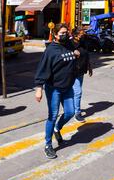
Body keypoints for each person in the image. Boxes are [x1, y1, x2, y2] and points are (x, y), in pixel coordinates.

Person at [34, 23, 80, 160]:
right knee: (52, 116)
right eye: (62, 33)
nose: (65, 35)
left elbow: (75, 52)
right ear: (55, 34)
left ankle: (57, 129)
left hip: (68, 87)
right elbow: (42, 70)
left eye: (66, 32)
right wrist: (38, 89)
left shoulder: (69, 44)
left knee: (70, 112)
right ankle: (48, 145)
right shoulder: (50, 50)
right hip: (53, 88)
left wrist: (76, 54)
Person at [72, 28, 93, 122]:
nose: (83, 36)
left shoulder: (83, 42)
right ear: (75, 35)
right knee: (78, 92)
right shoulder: (71, 43)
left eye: (83, 34)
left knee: (75, 91)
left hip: (81, 71)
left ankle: (72, 108)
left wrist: (89, 67)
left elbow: (86, 55)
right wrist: (72, 52)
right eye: (81, 34)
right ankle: (77, 113)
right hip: (72, 71)